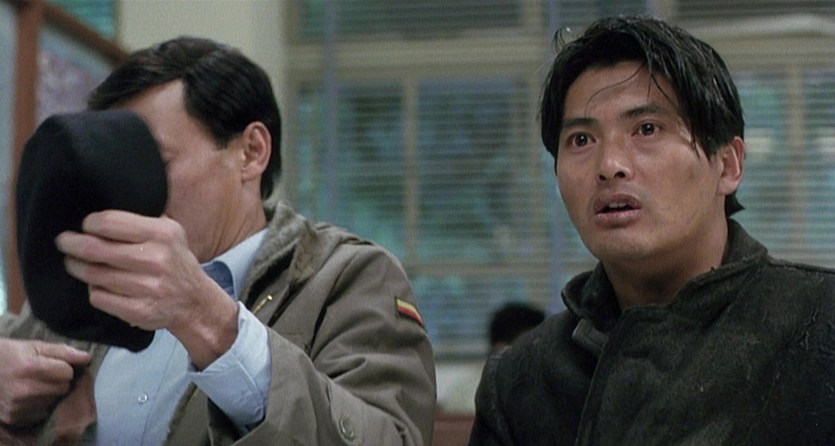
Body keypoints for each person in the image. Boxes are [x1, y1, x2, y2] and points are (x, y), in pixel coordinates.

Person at [0, 36, 436, 445]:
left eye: (154, 162)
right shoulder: (93, 282)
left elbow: (388, 436)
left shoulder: (349, 279)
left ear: (251, 151)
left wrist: (205, 317)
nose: (130, 189)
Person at [468, 16, 835, 446]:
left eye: (646, 129)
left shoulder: (819, 327)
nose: (609, 166)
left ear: (728, 165)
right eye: (582, 140)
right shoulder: (522, 382)